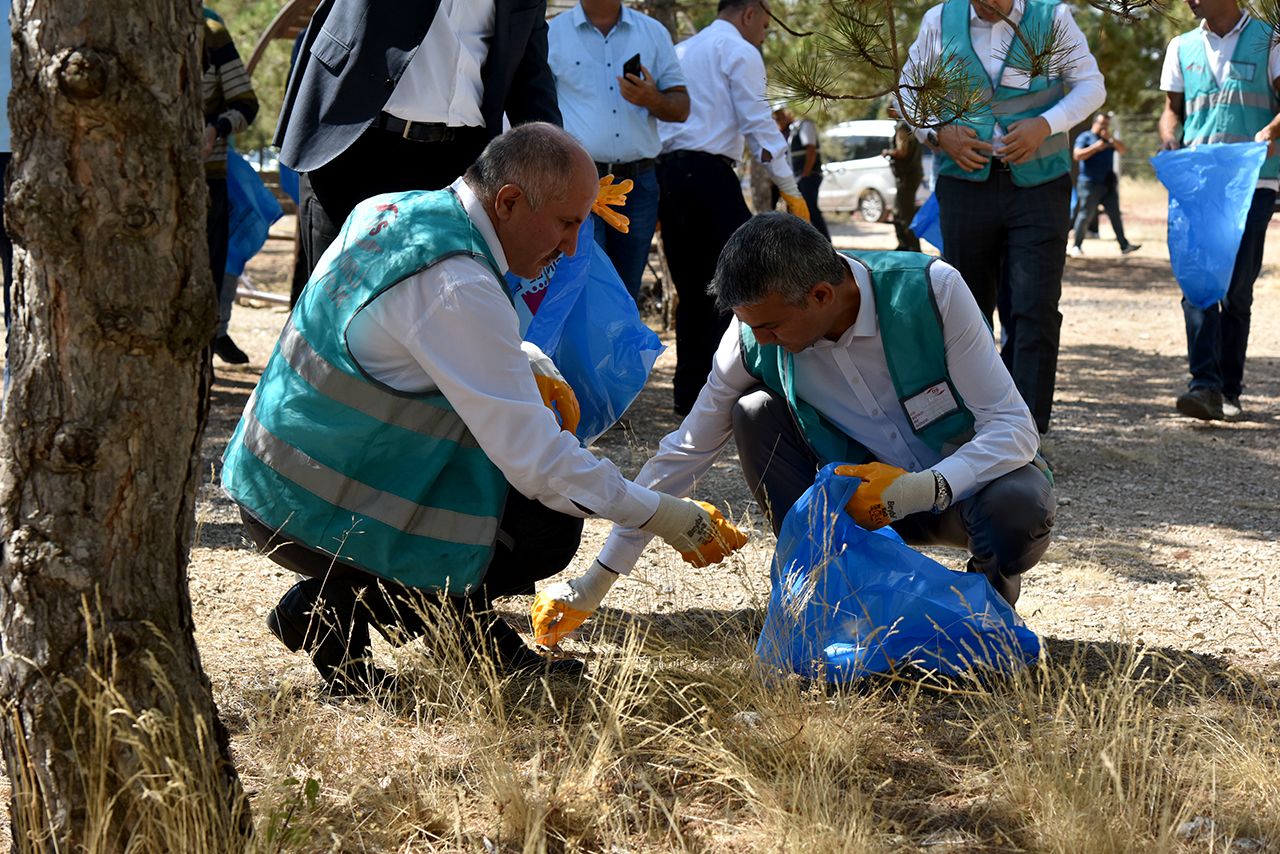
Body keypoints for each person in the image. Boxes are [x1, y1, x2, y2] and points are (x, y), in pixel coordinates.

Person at [221, 124, 746, 695]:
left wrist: (518, 354)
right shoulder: (460, 285)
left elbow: (399, 332)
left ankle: (337, 605)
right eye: (568, 223)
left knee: (500, 484)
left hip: (271, 475)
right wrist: (665, 515)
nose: (572, 247)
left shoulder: (393, 206)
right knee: (542, 526)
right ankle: (390, 615)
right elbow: (541, 465)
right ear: (510, 201)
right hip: (311, 505)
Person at [531, 213, 1053, 648]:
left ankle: (981, 621)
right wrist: (596, 580)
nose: (761, 339)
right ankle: (825, 602)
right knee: (754, 411)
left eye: (772, 327)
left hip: (962, 499)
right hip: (856, 510)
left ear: (822, 294)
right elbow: (684, 453)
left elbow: (1013, 426)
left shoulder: (931, 290)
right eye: (752, 326)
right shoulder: (752, 331)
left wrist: (922, 489)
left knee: (1017, 508)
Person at [900, 0, 1105, 435]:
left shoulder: (1053, 18)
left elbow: (1091, 86)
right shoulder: (939, 19)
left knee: (1035, 308)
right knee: (965, 312)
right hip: (964, 185)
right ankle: (975, 428)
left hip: (1040, 186)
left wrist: (1046, 124)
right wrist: (937, 132)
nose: (991, 5)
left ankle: (1023, 433)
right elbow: (907, 92)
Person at [275, 0, 562, 280]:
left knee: (433, 315)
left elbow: (531, 72)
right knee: (338, 312)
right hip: (358, 144)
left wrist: (561, 169)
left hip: (460, 168)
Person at [655, 0, 811, 416]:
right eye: (765, 22)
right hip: (706, 172)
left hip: (667, 173)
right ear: (749, 13)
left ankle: (690, 396)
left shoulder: (684, 49)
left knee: (694, 290)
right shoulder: (739, 50)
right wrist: (790, 188)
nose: (765, 33)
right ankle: (752, 388)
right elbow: (759, 125)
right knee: (753, 279)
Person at [1158, 0, 1280, 422]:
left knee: (1236, 292)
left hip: (1254, 184)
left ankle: (1230, 388)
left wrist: (1270, 131)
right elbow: (1173, 109)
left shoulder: (1270, 38)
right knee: (1197, 282)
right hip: (1198, 183)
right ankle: (1204, 385)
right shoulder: (1180, 46)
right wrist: (1170, 136)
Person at [548, 0, 690, 306]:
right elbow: (536, 107)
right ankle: (576, 355)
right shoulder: (551, 32)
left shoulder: (653, 32)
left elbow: (681, 108)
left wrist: (653, 98)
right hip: (576, 184)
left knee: (625, 294)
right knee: (580, 288)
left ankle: (617, 355)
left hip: (638, 186)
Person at [202, 10, 258, 365]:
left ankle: (206, 358)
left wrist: (216, 128)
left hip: (208, 182)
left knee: (207, 279)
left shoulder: (212, 34)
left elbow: (246, 104)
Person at [1067, 113, 1140, 257]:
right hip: (1089, 183)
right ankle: (1076, 246)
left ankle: (1124, 246)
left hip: (1107, 184)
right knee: (1085, 215)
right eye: (1102, 124)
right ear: (1095, 123)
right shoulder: (1085, 137)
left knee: (1115, 215)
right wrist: (1094, 147)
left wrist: (1110, 139)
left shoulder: (1108, 139)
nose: (1105, 127)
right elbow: (1077, 155)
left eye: (1107, 124)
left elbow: (1122, 150)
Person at [771, 104, 830, 239]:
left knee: (810, 210)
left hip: (807, 177)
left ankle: (826, 243)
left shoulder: (804, 125)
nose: (779, 117)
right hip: (797, 178)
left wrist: (805, 175)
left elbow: (811, 149)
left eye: (782, 113)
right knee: (794, 213)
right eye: (776, 115)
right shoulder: (789, 131)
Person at [882, 107, 923, 252]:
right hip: (909, 176)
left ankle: (912, 247)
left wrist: (888, 152)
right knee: (899, 212)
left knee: (904, 214)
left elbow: (902, 151)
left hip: (907, 177)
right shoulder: (910, 125)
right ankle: (904, 245)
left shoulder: (902, 128)